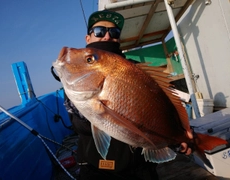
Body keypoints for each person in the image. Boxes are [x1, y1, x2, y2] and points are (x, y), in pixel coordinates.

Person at [63, 10, 193, 180]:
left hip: (139, 168)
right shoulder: (80, 75)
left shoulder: (138, 71)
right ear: (88, 39)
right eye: (99, 32)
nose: (107, 37)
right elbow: (80, 126)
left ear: (119, 39)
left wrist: (179, 136)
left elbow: (164, 106)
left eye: (114, 32)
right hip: (96, 169)